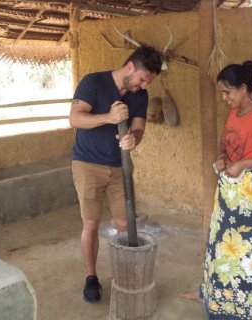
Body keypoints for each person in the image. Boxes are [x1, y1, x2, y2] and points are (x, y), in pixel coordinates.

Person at [180, 60, 252, 319]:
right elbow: (225, 142)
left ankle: (232, 311)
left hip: (249, 194)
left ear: (243, 88)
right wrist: (222, 157)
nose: (224, 98)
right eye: (222, 92)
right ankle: (207, 294)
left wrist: (244, 163)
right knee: (217, 246)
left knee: (240, 254)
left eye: (227, 92)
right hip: (228, 189)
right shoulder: (235, 112)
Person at [69, 46, 163, 303]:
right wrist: (109, 117)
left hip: (120, 165)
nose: (144, 84)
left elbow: (139, 127)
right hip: (87, 164)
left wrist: (134, 139)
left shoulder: (140, 95)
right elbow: (75, 119)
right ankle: (91, 277)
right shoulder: (93, 82)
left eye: (148, 81)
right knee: (91, 223)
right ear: (130, 67)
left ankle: (124, 273)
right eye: (143, 78)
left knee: (125, 222)